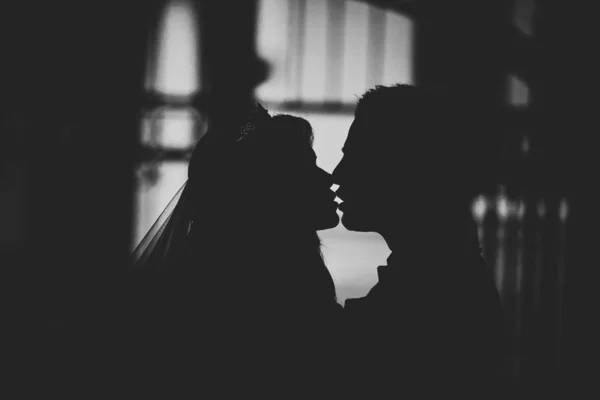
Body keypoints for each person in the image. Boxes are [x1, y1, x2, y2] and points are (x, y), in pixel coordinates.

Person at [127, 103, 342, 395]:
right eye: (307, 167)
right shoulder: (267, 289)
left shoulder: (265, 273)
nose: (328, 178)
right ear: (269, 187)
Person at [333, 84, 505, 397]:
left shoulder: (428, 298)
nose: (337, 173)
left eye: (356, 157)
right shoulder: (450, 282)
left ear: (403, 168)